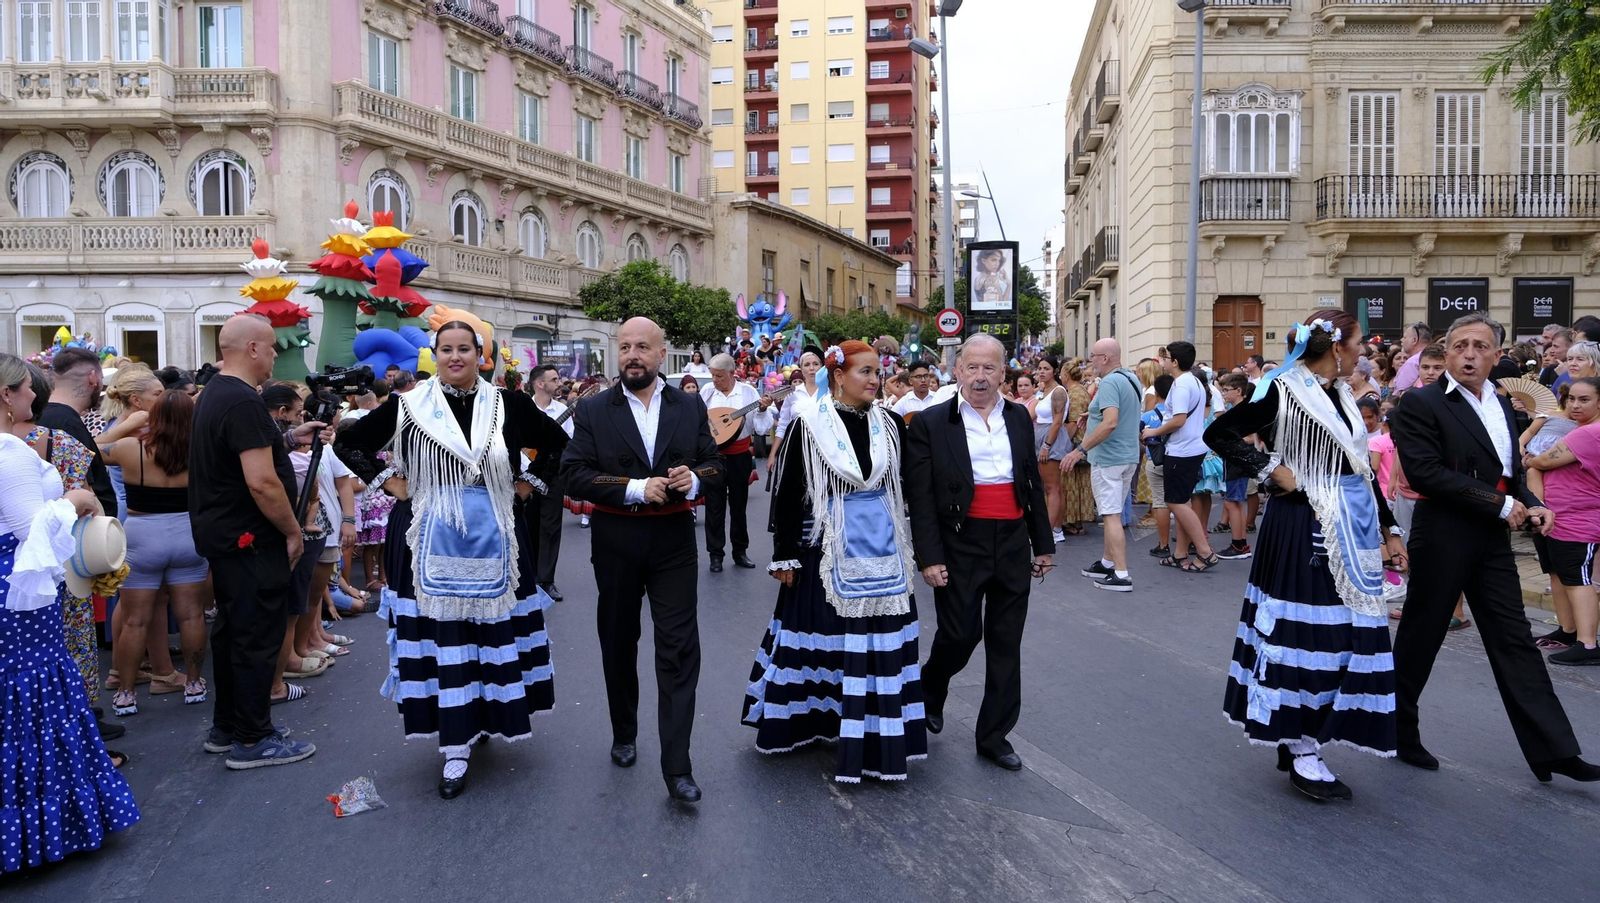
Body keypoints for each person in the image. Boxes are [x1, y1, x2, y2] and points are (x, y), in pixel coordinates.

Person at [336, 321, 567, 799]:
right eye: (446, 349)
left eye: (465, 349)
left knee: (491, 635)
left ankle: (488, 719)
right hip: (426, 537)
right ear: (434, 355)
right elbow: (348, 443)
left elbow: (558, 445)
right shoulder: (408, 405)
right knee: (445, 641)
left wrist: (528, 484)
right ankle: (455, 745)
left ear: (480, 356)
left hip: (498, 534)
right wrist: (388, 483)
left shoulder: (510, 403)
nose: (455, 357)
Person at [1390, 312, 1600, 784]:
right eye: (1460, 345)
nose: (1469, 354)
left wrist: (1531, 502)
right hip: (1442, 534)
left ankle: (1554, 750)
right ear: (1447, 353)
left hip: (1490, 538)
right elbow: (1426, 473)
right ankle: (1399, 730)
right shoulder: (1420, 403)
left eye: (1480, 346)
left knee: (1515, 640)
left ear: (1496, 355)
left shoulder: (1503, 405)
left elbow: (1508, 470)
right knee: (1421, 638)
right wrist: (1501, 504)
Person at [1206, 311, 1406, 801]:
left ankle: (1301, 736)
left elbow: (1357, 469)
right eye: (1357, 343)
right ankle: (1302, 747)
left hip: (1351, 525)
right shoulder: (1283, 389)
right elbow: (1221, 434)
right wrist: (1273, 469)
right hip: (1302, 526)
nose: (1363, 352)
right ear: (1337, 348)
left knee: (1345, 634)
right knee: (1310, 632)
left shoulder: (1341, 395)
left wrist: (1390, 528)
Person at [743, 340, 926, 782]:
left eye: (877, 372)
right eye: (865, 372)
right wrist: (785, 555)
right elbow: (787, 495)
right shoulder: (809, 426)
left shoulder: (890, 424)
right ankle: (820, 722)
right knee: (824, 637)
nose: (874, 379)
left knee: (877, 641)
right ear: (838, 375)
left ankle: (877, 729)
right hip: (826, 547)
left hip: (884, 549)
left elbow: (913, 483)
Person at [560, 317, 722, 803]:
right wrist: (633, 488)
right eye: (625, 346)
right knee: (618, 640)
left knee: (678, 650)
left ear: (660, 353)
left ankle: (678, 767)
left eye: (642, 347)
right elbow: (572, 473)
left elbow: (714, 466)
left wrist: (691, 481)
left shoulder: (690, 405)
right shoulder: (592, 410)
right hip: (617, 542)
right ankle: (624, 730)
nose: (632, 354)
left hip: (673, 543)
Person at [0, 352, 141, 872]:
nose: (34, 397)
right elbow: (28, 532)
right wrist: (78, 499)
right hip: (21, 597)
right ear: (6, 396)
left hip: (15, 593)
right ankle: (39, 825)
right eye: (25, 390)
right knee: (30, 696)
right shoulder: (8, 453)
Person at [904, 334, 1054, 772]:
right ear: (957, 371)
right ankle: (931, 688)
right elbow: (922, 498)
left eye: (990, 368)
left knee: (1006, 642)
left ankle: (994, 737)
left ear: (1004, 373)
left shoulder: (1019, 418)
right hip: (959, 540)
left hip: (1010, 539)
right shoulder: (931, 423)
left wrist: (1041, 543)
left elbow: (1030, 484)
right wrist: (928, 557)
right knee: (961, 633)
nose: (981, 377)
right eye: (972, 367)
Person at [188, 314, 321, 770]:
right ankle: (252, 738)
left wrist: (287, 437)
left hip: (226, 538)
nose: (275, 356)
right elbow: (262, 482)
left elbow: (242, 454)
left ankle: (230, 727)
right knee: (255, 637)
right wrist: (291, 530)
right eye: (271, 348)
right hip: (250, 540)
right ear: (251, 350)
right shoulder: (243, 401)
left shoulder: (217, 394)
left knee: (233, 633)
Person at [99, 389, 210, 715]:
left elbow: (89, 447)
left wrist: (128, 423)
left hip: (142, 535)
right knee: (192, 614)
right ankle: (193, 683)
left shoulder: (131, 448)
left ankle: (126, 693)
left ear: (154, 416)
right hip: (187, 534)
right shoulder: (202, 451)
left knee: (134, 621)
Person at [1524, 377, 1600, 665]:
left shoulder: (1589, 433)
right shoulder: (1580, 430)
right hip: (1555, 517)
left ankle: (1589, 645)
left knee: (1576, 579)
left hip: (1578, 520)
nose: (1575, 405)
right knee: (1558, 574)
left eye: (1584, 400)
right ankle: (1568, 632)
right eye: (1571, 399)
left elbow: (1540, 462)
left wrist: (1533, 460)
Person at [1065, 339, 1142, 592]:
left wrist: (1080, 449)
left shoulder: (1109, 382)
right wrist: (1093, 413)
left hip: (1109, 458)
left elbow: (1110, 423)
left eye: (1093, 356)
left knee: (1110, 515)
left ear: (1105, 358)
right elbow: (1117, 414)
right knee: (1113, 513)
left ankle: (1121, 573)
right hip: (1127, 455)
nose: (1091, 361)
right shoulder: (1129, 378)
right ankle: (1108, 563)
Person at [1142, 341, 1219, 572]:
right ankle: (1180, 553)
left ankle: (1205, 552)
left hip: (1182, 451)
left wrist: (1152, 431)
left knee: (1175, 501)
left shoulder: (1182, 384)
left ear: (1174, 362)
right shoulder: (1192, 380)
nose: (1162, 362)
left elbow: (1178, 420)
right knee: (1181, 501)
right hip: (1190, 448)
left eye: (1165, 358)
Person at [701, 353, 773, 572]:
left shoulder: (748, 392)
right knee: (714, 507)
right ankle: (715, 555)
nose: (715, 380)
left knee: (739, 506)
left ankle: (740, 552)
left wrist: (761, 409)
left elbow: (760, 428)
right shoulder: (707, 392)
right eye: (712, 375)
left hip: (740, 455)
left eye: (719, 376)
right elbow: (698, 422)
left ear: (732, 374)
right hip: (713, 457)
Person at [40, 347, 117, 520]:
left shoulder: (41, 415)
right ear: (92, 378)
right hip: (81, 533)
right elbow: (83, 489)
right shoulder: (68, 424)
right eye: (101, 379)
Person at [527, 363, 574, 601]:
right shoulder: (522, 409)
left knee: (551, 527)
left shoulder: (561, 411)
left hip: (553, 476)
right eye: (554, 379)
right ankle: (527, 578)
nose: (559, 384)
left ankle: (546, 580)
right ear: (540, 383)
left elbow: (570, 443)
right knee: (527, 526)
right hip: (524, 477)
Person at [1031, 356, 1071, 543]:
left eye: (1046, 368)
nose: (1041, 371)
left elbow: (1057, 422)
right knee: (1054, 488)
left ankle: (1047, 534)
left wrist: (1046, 446)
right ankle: (1056, 530)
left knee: (1051, 488)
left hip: (1051, 438)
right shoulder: (1045, 391)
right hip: (1042, 435)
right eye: (1039, 368)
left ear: (1054, 371)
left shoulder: (1058, 392)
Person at [1057, 359, 1097, 536]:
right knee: (1079, 485)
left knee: (1071, 484)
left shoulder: (1073, 394)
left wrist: (1062, 444)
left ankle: (1072, 522)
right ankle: (1077, 521)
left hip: (1075, 443)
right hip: (1082, 442)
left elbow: (1073, 423)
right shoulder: (1080, 391)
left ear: (1065, 376)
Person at [768, 349, 824, 472]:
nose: (812, 368)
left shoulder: (831, 393)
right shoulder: (792, 393)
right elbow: (783, 426)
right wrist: (772, 455)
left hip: (824, 451)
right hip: (796, 449)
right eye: (807, 365)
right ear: (801, 369)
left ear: (821, 367)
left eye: (815, 364)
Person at [1393, 323, 1432, 395]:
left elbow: (1400, 393)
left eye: (1404, 337)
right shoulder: (1434, 358)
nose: (1401, 340)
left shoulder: (1412, 362)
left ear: (1414, 340)